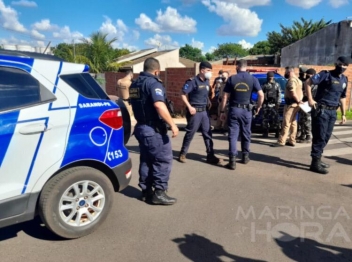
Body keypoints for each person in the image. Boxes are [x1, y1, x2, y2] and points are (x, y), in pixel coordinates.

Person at [129, 57, 179, 205]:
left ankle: (146, 191)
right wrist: (173, 124)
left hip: (141, 127)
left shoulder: (135, 84)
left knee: (146, 159)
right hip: (153, 129)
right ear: (157, 71)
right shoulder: (153, 83)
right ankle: (159, 192)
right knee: (163, 159)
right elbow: (159, 105)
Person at [306, 56, 349, 174]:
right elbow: (308, 83)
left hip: (333, 111)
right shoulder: (326, 74)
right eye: (341, 64)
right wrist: (310, 99)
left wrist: (343, 113)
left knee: (326, 136)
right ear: (336, 63)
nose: (343, 67)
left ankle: (318, 158)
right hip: (322, 110)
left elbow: (343, 97)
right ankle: (315, 163)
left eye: (345, 65)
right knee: (319, 136)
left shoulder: (344, 79)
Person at [219, 59, 264, 170]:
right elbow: (261, 95)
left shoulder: (232, 79)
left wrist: (222, 111)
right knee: (246, 134)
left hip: (234, 110)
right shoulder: (253, 79)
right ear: (246, 66)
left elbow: (225, 96)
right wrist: (258, 107)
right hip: (246, 111)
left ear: (237, 66)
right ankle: (245, 157)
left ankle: (232, 161)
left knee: (233, 135)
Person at [178, 61, 222, 165]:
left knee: (208, 134)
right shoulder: (192, 81)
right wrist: (189, 107)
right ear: (202, 70)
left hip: (205, 112)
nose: (210, 73)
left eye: (210, 71)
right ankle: (182, 154)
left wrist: (208, 101)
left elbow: (205, 93)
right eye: (208, 70)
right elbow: (182, 94)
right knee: (190, 133)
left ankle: (210, 156)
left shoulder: (206, 81)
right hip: (195, 112)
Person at [271, 66, 303, 147]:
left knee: (286, 122)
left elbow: (293, 92)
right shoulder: (298, 80)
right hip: (296, 104)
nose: (285, 73)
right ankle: (292, 140)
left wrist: (297, 100)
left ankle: (281, 141)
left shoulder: (291, 81)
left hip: (291, 104)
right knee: (293, 122)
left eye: (285, 72)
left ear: (289, 72)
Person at [297, 68, 316, 143]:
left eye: (310, 74)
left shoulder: (316, 85)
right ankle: (303, 135)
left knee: (307, 121)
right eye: (307, 74)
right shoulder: (305, 83)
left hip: (310, 105)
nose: (308, 76)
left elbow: (314, 95)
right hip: (304, 104)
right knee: (302, 120)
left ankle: (308, 136)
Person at [261, 71, 281, 138]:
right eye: (269, 77)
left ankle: (277, 132)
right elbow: (261, 94)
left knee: (276, 119)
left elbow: (279, 94)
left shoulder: (276, 85)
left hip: (274, 104)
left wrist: (278, 103)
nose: (270, 78)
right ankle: (265, 132)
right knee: (265, 119)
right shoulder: (264, 85)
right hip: (266, 104)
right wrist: (261, 102)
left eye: (271, 77)